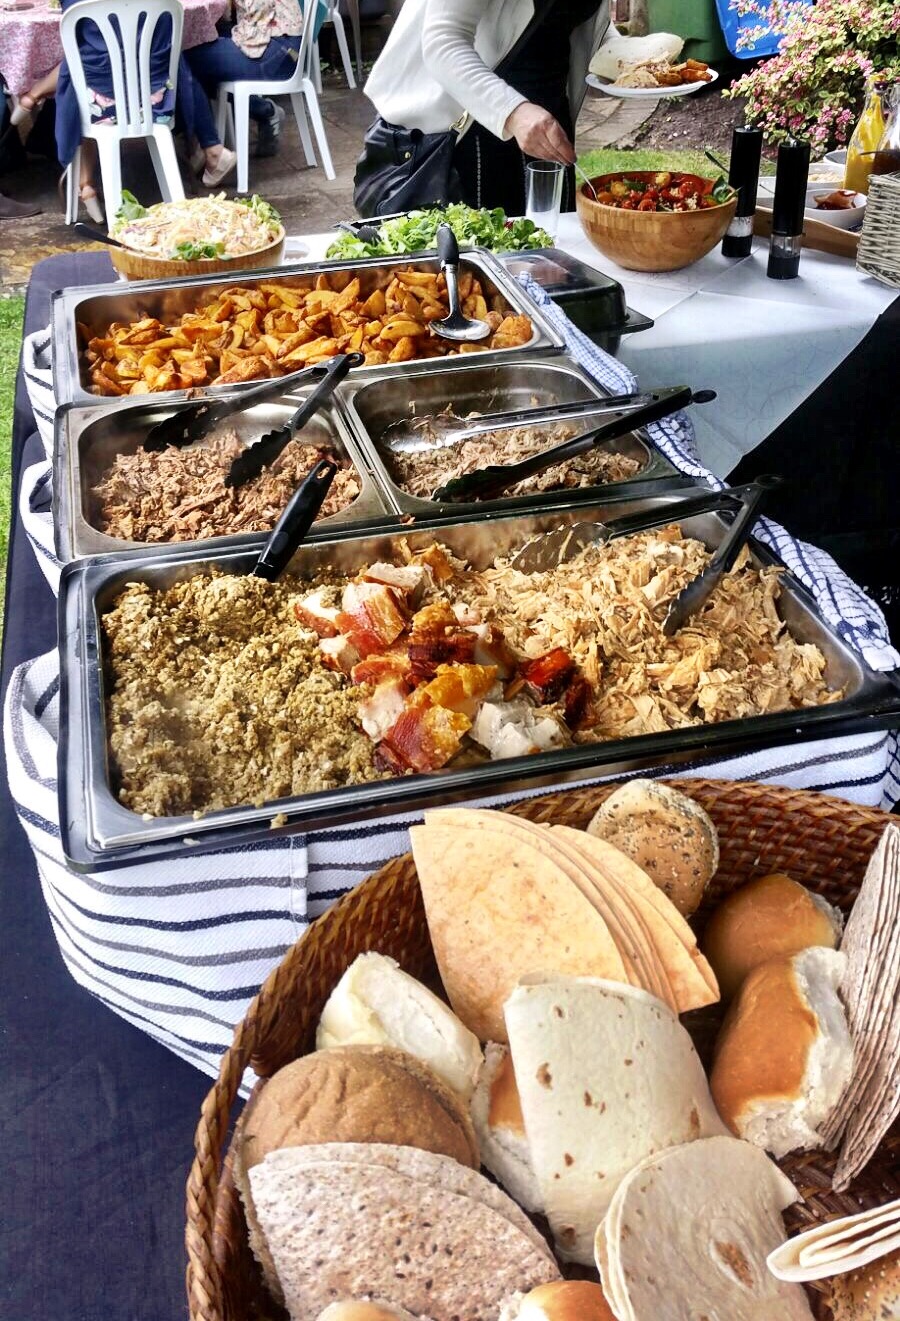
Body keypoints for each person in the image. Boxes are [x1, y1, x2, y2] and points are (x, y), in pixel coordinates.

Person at [358, 0, 613, 216]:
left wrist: (626, 56)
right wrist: (514, 112)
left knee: (553, 250)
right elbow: (443, 42)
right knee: (477, 254)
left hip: (546, 126)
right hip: (468, 133)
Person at [48, 2, 236, 221]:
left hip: (101, 105)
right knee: (170, 55)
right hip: (155, 99)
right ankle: (207, 146)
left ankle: (86, 184)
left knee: (75, 71)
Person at [185, 0, 325, 160]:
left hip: (278, 50)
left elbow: (252, 11)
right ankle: (263, 112)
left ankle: (210, 150)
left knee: (186, 59)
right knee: (199, 58)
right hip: (287, 49)